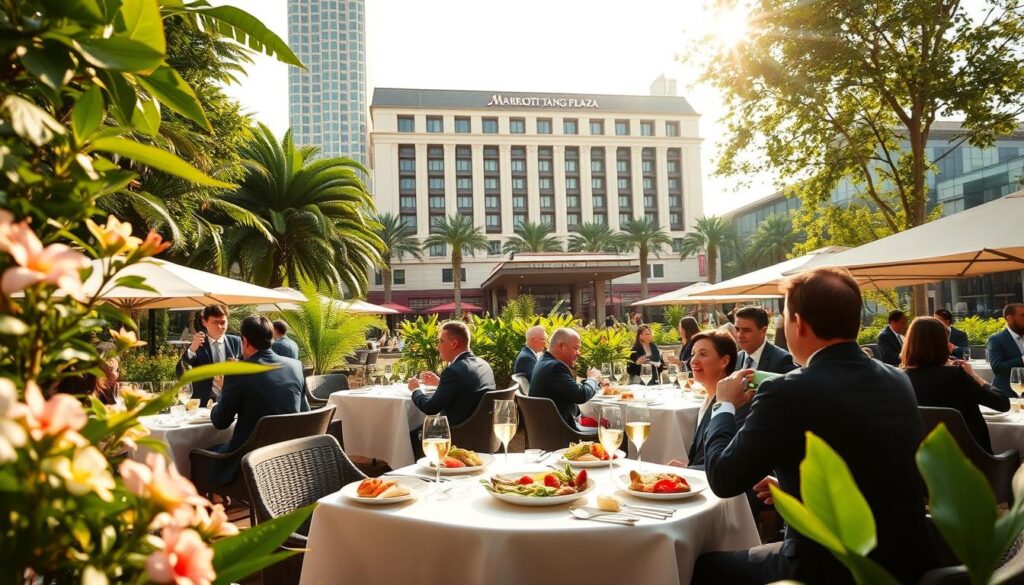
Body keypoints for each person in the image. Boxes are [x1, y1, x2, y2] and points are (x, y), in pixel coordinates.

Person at [692, 267, 939, 584]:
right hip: (906, 560)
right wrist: (796, 491)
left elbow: (723, 479)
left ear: (799, 323)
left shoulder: (786, 390)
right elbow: (869, 463)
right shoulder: (897, 379)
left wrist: (723, 404)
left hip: (827, 566)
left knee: (702, 567)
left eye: (784, 317)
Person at [207, 315, 310, 484]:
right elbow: (304, 412)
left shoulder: (239, 371)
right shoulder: (295, 366)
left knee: (196, 455)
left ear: (245, 341)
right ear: (271, 338)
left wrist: (220, 397)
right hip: (289, 457)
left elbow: (221, 422)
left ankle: (216, 501)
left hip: (251, 462)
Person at [902, 316, 1008, 453]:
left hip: (924, 461)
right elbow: (1002, 403)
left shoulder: (901, 378)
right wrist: (974, 376)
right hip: (970, 461)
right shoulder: (956, 376)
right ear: (941, 342)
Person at [407, 321, 495, 426]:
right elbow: (467, 390)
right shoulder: (484, 365)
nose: (437, 347)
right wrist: (441, 383)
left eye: (440, 341)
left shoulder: (453, 371)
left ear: (454, 344)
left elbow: (429, 408)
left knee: (408, 429)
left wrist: (415, 389)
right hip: (482, 432)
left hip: (456, 435)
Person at [685, 331, 744, 469]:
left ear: (724, 361)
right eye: (693, 354)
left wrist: (686, 471)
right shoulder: (707, 399)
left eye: (703, 354)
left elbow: (731, 463)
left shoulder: (736, 404)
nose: (693, 361)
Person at [529, 328, 602, 431]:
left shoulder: (544, 360)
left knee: (604, 422)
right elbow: (581, 395)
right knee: (613, 428)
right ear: (561, 346)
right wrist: (593, 378)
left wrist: (592, 382)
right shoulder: (555, 367)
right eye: (576, 348)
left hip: (549, 428)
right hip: (562, 431)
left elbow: (568, 387)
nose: (579, 353)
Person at [177, 305, 242, 405]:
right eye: (215, 322)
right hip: (203, 405)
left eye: (223, 322)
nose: (220, 327)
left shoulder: (236, 342)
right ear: (204, 322)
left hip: (232, 402)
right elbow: (180, 373)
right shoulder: (197, 344)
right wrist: (192, 349)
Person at [734, 306, 797, 374]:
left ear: (763, 331)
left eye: (746, 330)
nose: (739, 335)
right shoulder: (737, 358)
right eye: (737, 329)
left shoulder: (782, 360)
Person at [988, 303, 1024, 398]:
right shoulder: (996, 339)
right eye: (1022, 316)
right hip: (1007, 395)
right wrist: (1022, 360)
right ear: (1009, 318)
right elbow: (997, 367)